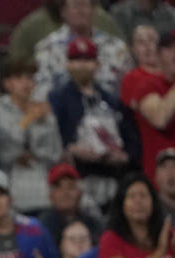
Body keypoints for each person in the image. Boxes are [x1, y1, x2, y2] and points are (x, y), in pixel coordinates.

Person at [48, 37, 138, 209]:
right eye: (76, 60)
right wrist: (71, 149)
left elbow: (131, 137)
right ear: (67, 64)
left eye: (87, 60)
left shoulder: (111, 100)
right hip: (77, 179)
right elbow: (53, 140)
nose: (82, 65)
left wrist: (124, 156)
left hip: (112, 176)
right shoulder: (57, 99)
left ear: (97, 64)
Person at [0, 58, 63, 216]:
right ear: (7, 83)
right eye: (19, 78)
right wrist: (28, 119)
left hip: (43, 182)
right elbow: (10, 143)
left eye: (30, 78)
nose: (26, 83)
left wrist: (36, 152)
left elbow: (55, 151)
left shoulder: (43, 110)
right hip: (12, 182)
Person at [33, 0, 132, 99]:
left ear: (93, 10)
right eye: (75, 6)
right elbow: (41, 92)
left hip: (109, 110)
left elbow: (128, 89)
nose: (80, 11)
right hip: (60, 110)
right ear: (63, 11)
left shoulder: (117, 48)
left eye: (84, 5)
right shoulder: (46, 48)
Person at [120, 28, 175, 182]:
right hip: (160, 177)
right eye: (169, 48)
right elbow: (160, 118)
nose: (174, 53)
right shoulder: (147, 84)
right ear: (159, 54)